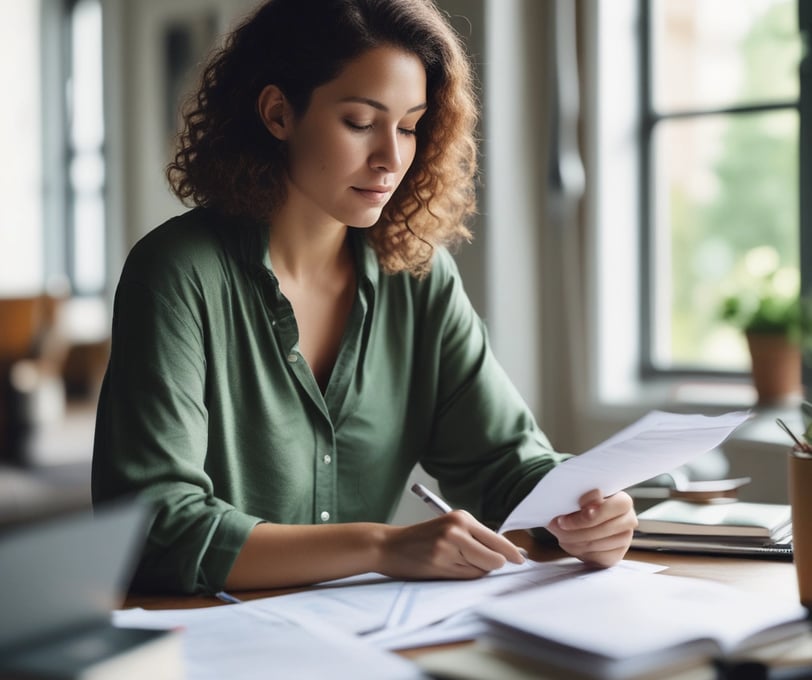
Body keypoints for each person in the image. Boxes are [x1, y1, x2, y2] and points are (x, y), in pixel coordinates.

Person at [92, 0, 637, 595]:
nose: (391, 158)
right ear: (278, 113)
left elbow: (507, 464)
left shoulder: (419, 277)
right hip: (209, 639)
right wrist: (382, 545)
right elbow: (154, 526)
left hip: (368, 641)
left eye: (408, 126)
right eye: (359, 122)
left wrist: (586, 510)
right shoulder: (178, 273)